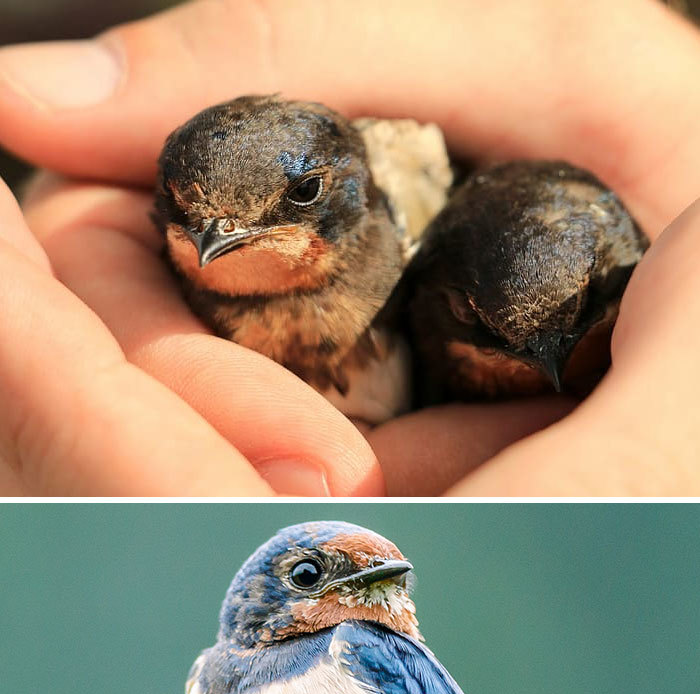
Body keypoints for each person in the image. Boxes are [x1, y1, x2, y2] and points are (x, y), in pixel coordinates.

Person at [0, 0, 698, 497]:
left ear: (351, 188)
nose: (220, 240)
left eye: (299, 198)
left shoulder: (411, 197)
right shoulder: (173, 277)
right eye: (193, 220)